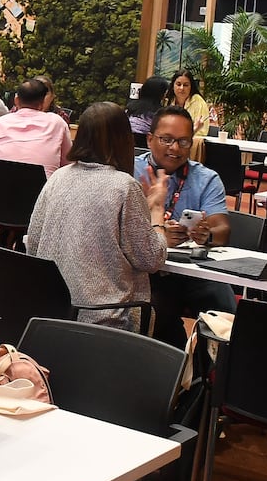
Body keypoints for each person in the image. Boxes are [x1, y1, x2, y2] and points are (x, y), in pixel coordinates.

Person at [28, 101, 168, 330]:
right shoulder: (124, 187)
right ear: (125, 140)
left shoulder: (58, 177)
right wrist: (157, 216)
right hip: (105, 322)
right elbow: (152, 259)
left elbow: (33, 244)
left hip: (51, 314)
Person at [135, 106, 234, 349]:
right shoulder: (129, 171)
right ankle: (176, 372)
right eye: (166, 140)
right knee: (156, 313)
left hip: (193, 271)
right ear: (150, 139)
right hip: (146, 272)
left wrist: (206, 234)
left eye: (183, 141)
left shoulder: (206, 178)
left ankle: (215, 376)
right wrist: (157, 234)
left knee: (227, 312)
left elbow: (223, 229)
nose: (175, 148)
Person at [0, 77, 72, 177]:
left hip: (2, 189)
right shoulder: (57, 123)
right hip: (43, 191)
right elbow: (68, 164)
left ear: (16, 100)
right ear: (42, 103)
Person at [168, 69, 210, 145]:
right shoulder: (167, 101)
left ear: (191, 87)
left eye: (186, 85)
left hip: (191, 144)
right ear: (172, 86)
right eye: (178, 84)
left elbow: (201, 133)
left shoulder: (199, 102)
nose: (181, 88)